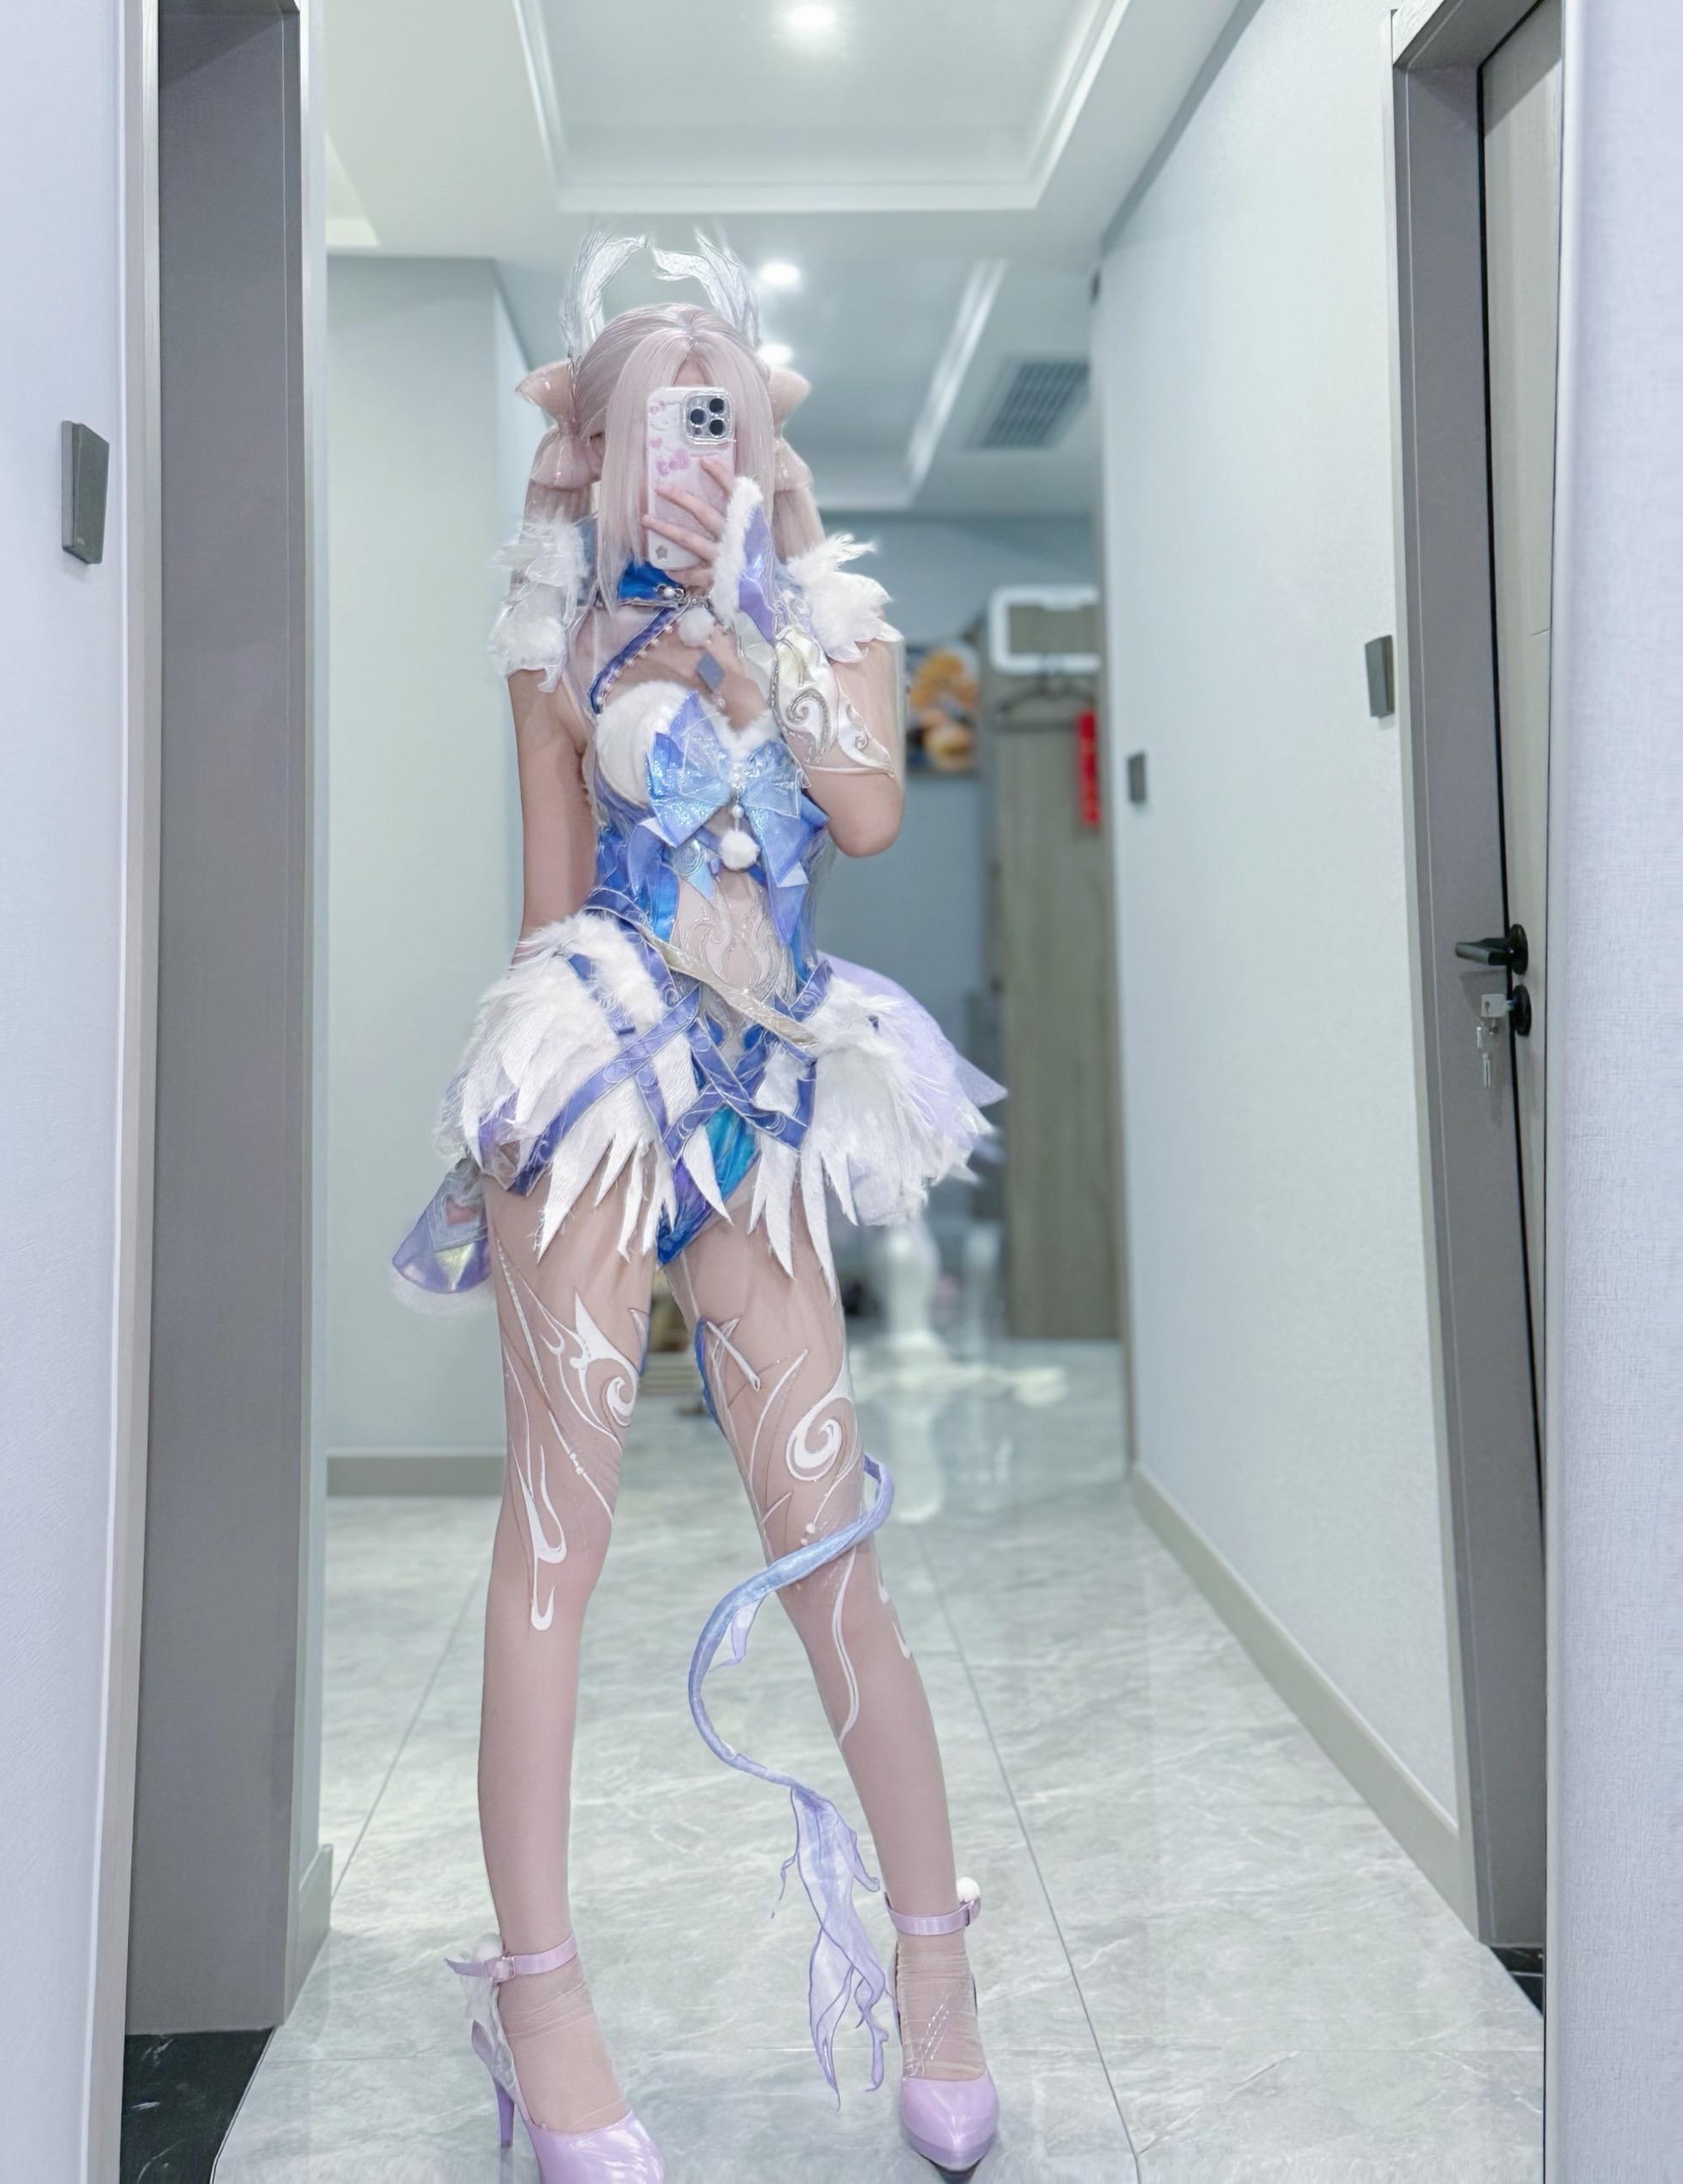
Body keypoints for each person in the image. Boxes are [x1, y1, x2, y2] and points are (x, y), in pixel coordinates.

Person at [394, 232, 1002, 2181]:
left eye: (721, 408)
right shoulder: (556, 640)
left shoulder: (820, 620)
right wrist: (579, 648)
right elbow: (549, 883)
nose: (694, 442)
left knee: (829, 1538)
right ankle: (541, 2005)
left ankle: (936, 1967)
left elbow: (868, 811)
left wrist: (770, 599)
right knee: (552, 1538)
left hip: (760, 1087)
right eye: (659, 411)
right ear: (596, 438)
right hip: (598, 1071)